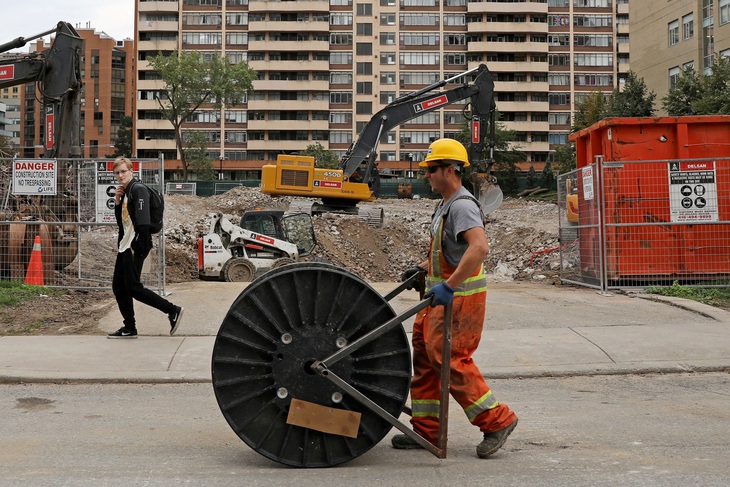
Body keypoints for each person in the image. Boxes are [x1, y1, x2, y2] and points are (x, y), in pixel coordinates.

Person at [392, 138, 518, 458]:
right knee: (424, 355)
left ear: (450, 170)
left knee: (448, 358)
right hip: (440, 299)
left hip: (458, 300)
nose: (427, 175)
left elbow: (479, 248)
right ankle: (427, 430)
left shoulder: (462, 205)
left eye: (431, 169)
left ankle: (497, 421)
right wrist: (421, 269)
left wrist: (448, 286)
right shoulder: (445, 205)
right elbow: (449, 251)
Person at [107, 157, 183, 339]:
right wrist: (117, 202)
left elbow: (143, 220)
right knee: (119, 286)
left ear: (131, 171)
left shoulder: (138, 189)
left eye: (123, 171)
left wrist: (137, 244)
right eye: (117, 173)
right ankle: (129, 327)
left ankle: (172, 310)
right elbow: (122, 223)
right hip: (125, 244)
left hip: (135, 244)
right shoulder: (126, 192)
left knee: (133, 287)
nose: (120, 175)